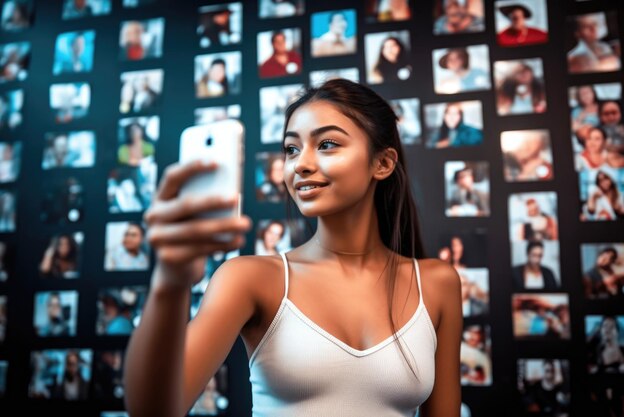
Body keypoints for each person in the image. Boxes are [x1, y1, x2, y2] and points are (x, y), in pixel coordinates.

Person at [124, 79, 462, 417]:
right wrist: (169, 283)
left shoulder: (436, 284)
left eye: (327, 144)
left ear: (383, 163)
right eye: (291, 149)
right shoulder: (251, 279)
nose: (300, 164)